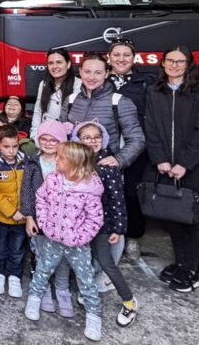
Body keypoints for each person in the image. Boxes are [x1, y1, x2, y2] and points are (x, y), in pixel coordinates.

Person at [144, 46, 199, 293]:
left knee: (194, 220)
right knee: (173, 217)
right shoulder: (155, 91)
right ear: (162, 63)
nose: (174, 65)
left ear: (188, 65)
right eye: (170, 60)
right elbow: (151, 127)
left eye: (180, 61)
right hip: (164, 166)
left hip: (193, 166)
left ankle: (190, 270)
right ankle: (180, 262)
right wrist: (160, 159)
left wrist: (184, 163)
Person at [24, 141, 105, 342]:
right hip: (52, 238)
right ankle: (34, 299)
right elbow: (40, 198)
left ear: (74, 163)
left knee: (85, 279)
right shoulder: (52, 180)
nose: (56, 160)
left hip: (78, 245)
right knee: (43, 269)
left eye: (61, 158)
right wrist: (44, 222)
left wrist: (80, 237)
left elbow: (95, 219)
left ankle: (94, 315)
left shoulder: (89, 189)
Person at [73, 120, 137, 327]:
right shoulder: (76, 163)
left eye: (96, 137)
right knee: (83, 260)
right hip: (80, 224)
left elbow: (118, 199)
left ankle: (129, 301)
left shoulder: (108, 166)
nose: (92, 141)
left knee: (105, 261)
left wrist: (118, 228)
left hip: (102, 225)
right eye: (87, 137)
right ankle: (88, 291)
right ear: (78, 140)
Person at [107, 39, 155, 260]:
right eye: (116, 55)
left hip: (135, 145)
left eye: (126, 55)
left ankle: (134, 237)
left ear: (133, 58)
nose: (121, 59)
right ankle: (108, 234)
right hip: (106, 146)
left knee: (131, 193)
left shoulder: (146, 82)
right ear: (109, 57)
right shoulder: (100, 80)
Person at [21, 119, 74, 316]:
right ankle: (42, 290)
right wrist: (28, 216)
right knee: (40, 255)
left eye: (54, 140)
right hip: (39, 221)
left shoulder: (68, 162)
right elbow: (26, 190)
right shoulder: (33, 162)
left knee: (63, 258)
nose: (49, 143)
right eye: (44, 139)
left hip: (63, 221)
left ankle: (62, 289)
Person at [60, 54, 145, 172]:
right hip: (74, 170)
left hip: (105, 173)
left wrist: (119, 159)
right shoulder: (71, 100)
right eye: (87, 71)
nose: (92, 77)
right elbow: (61, 136)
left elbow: (137, 139)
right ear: (80, 71)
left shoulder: (119, 101)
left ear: (106, 73)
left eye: (98, 72)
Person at [0, 124, 27, 298]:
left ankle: (14, 276)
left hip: (22, 218)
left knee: (17, 250)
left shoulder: (24, 161)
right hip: (1, 218)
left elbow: (28, 187)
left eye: (14, 146)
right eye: (6, 147)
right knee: (0, 248)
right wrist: (11, 212)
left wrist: (24, 210)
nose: (11, 151)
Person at [30, 48, 78, 140]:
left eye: (59, 62)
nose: (54, 66)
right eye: (50, 63)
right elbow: (38, 112)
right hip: (44, 136)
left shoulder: (78, 84)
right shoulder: (43, 84)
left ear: (68, 64)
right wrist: (35, 136)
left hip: (66, 138)